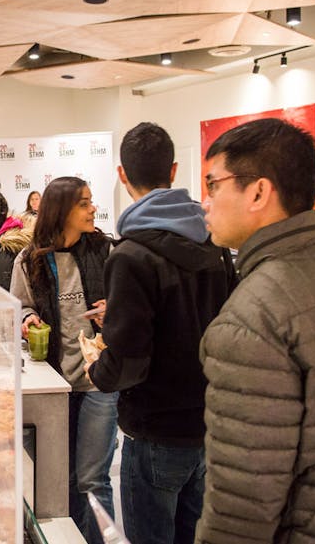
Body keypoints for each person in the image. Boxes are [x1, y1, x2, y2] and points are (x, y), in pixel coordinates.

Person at [196, 118, 315, 543]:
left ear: (259, 192)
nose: (204, 202)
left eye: (213, 186)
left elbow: (243, 502)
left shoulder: (252, 317)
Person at [86, 123, 234, 544]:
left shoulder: (131, 254)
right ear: (173, 169)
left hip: (155, 428)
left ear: (121, 174)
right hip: (208, 423)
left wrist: (100, 369)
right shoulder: (214, 243)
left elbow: (130, 360)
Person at [10, 176, 116, 544]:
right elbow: (19, 305)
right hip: (53, 382)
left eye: (91, 202)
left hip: (99, 380)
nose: (93, 209)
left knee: (93, 479)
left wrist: (113, 311)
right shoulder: (30, 259)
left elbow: (131, 304)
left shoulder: (106, 250)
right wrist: (27, 319)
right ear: (62, 210)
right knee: (59, 477)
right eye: (84, 203)